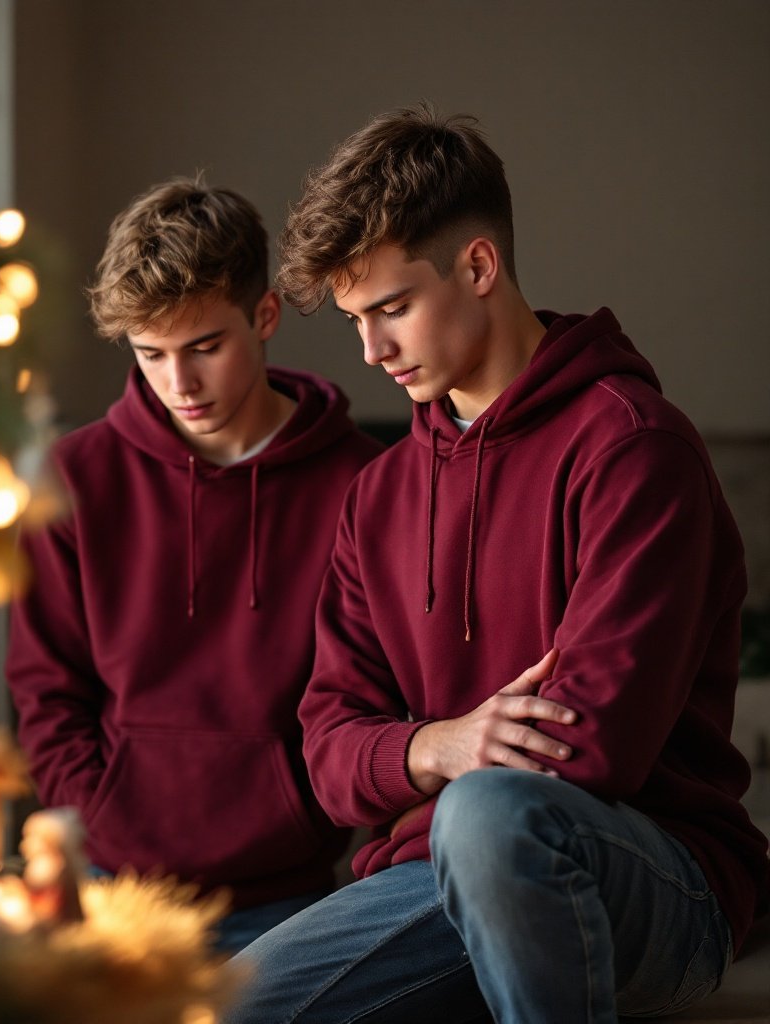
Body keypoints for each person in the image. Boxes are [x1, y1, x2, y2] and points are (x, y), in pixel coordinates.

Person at [224, 105, 770, 1023]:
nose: (371, 351)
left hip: (653, 884)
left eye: (392, 308)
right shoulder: (381, 493)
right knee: (224, 1008)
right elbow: (327, 749)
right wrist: (438, 742)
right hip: (429, 881)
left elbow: (588, 750)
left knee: (491, 816)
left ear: (478, 267)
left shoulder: (633, 449)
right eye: (358, 319)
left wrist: (420, 768)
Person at [4, 177, 383, 953]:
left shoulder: (362, 482)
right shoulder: (73, 479)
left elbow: (378, 694)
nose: (180, 383)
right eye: (151, 355)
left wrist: (312, 815)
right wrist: (98, 816)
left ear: (265, 316)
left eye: (205, 347)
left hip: (292, 892)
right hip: (115, 887)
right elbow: (45, 690)